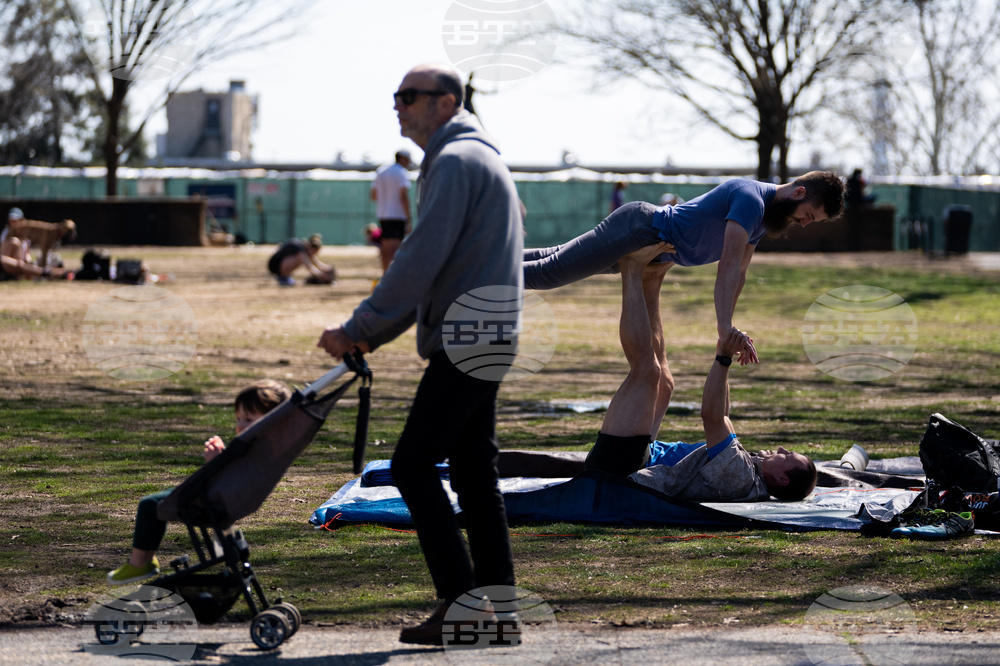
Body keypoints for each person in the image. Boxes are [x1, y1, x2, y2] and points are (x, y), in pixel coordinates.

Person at [317, 62, 524, 646]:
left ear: (447, 102)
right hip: (487, 331)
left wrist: (359, 327)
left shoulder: (457, 162)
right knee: (474, 474)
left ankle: (465, 606)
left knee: (411, 465)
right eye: (397, 96)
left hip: (469, 334)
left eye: (410, 96)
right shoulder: (478, 157)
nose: (399, 106)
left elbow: (418, 259)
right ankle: (498, 609)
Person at [524, 171, 846, 361]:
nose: (804, 224)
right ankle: (479, 268)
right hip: (639, 230)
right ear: (799, 192)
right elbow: (728, 264)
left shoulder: (763, 218)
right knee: (549, 274)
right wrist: (724, 327)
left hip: (648, 248)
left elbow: (741, 274)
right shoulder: (751, 200)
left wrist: (727, 331)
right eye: (808, 215)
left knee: (551, 259)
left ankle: (491, 253)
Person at [582, 244, 817, 501]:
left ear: (782, 479)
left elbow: (712, 416)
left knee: (647, 371)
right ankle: (652, 278)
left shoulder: (740, 476)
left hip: (618, 472)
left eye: (787, 456)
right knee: (664, 382)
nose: (782, 448)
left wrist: (724, 358)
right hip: (641, 455)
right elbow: (723, 415)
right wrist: (723, 347)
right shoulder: (751, 470)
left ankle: (631, 267)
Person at [106, 380, 291, 585]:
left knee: (150, 505)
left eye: (248, 419)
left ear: (272, 421)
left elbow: (230, 478)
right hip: (219, 498)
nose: (240, 426)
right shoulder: (268, 447)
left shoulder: (255, 450)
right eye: (238, 419)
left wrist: (216, 461)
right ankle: (145, 561)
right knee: (157, 502)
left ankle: (139, 563)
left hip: (212, 502)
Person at [370, 150, 413, 274]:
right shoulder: (401, 172)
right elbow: (403, 196)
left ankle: (385, 275)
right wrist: (408, 218)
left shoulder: (381, 171)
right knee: (395, 249)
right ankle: (393, 277)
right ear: (403, 158)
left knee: (386, 247)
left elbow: (373, 195)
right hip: (397, 215)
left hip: (383, 214)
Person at [266, 233, 335, 286]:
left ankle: (284, 276)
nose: (313, 255)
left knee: (303, 258)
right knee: (300, 259)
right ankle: (283, 277)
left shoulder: (305, 249)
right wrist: (322, 276)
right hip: (275, 265)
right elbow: (309, 266)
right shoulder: (300, 250)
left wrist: (328, 268)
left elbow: (316, 262)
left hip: (281, 263)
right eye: (314, 252)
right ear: (310, 247)